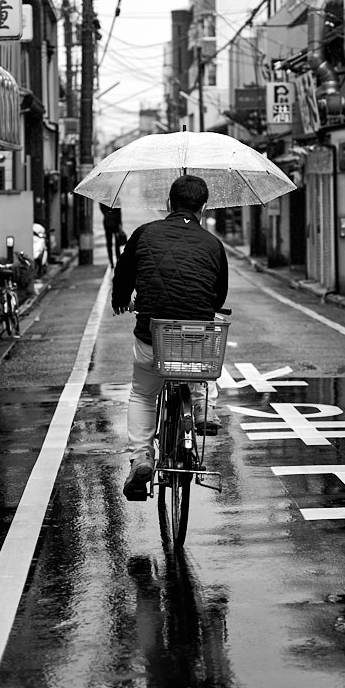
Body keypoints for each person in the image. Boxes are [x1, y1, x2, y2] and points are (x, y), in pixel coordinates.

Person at [112, 175, 228, 501]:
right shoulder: (213, 244)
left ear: (168, 205)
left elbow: (123, 274)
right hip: (195, 341)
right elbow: (218, 298)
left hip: (153, 335)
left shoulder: (144, 233)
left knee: (143, 394)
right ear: (203, 208)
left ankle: (141, 458)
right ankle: (202, 407)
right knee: (199, 358)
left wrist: (122, 300)